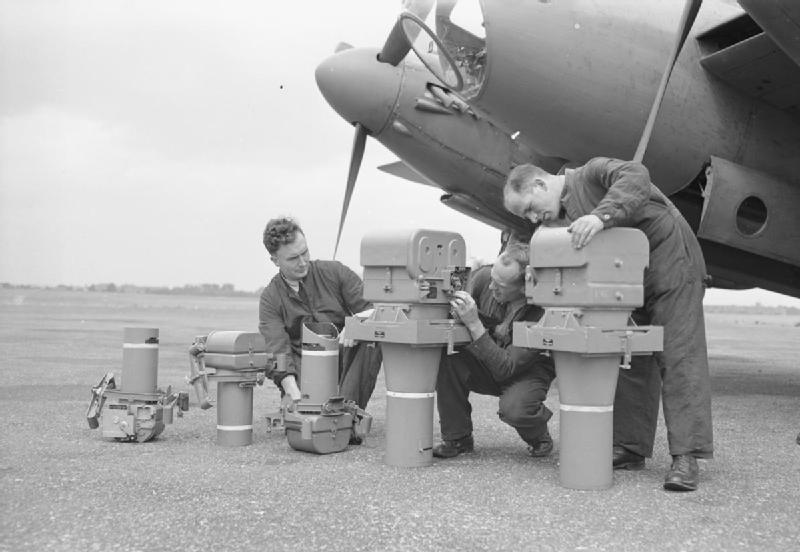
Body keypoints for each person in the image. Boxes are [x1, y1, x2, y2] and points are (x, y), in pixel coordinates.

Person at [503, 157, 713, 491]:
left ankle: (687, 456)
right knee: (625, 350)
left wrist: (601, 217)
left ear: (541, 184)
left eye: (530, 207)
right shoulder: (565, 215)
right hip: (627, 277)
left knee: (679, 355)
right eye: (525, 216)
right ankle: (630, 447)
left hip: (672, 264)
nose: (532, 218)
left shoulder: (592, 173)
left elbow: (636, 174)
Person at [433, 242, 556, 459]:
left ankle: (538, 435)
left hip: (526, 371)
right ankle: (458, 438)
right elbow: (454, 307)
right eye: (492, 278)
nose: (491, 288)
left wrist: (474, 324)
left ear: (524, 287)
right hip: (487, 358)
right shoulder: (483, 278)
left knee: (516, 409)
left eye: (500, 285)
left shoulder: (541, 312)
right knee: (449, 357)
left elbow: (506, 368)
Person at [258, 217, 382, 414]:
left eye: (304, 252)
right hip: (303, 378)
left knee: (372, 337)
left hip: (344, 365)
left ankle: (348, 415)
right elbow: (277, 351)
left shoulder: (336, 272)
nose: (302, 262)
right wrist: (292, 393)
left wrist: (357, 324)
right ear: (275, 260)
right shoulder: (270, 298)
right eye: (292, 258)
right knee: (307, 417)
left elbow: (377, 308)